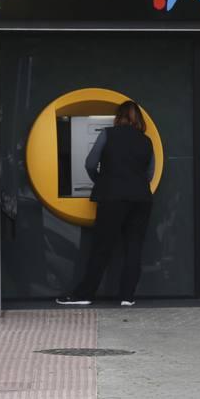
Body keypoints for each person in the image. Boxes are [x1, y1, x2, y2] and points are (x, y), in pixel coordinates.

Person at [57, 100, 155, 307]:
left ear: (118, 116)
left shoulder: (108, 134)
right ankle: (127, 297)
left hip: (112, 197)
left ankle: (84, 294)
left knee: (102, 247)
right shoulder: (146, 141)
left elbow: (90, 163)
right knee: (134, 246)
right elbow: (150, 174)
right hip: (141, 199)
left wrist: (101, 181)